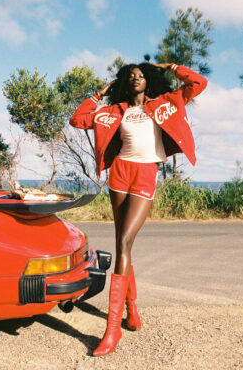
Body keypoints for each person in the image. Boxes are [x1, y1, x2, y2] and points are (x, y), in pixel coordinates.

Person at [69, 62, 207, 356]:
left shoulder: (164, 103)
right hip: (120, 173)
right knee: (123, 245)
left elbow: (198, 83)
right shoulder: (113, 111)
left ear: (149, 81)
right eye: (131, 76)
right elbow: (77, 120)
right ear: (124, 82)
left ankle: (112, 330)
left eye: (141, 75)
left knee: (124, 242)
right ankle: (130, 312)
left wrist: (171, 66)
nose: (136, 78)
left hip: (146, 173)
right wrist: (97, 95)